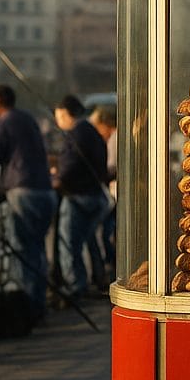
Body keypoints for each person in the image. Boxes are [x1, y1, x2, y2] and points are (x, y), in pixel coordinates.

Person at [0, 84, 56, 322]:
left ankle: (26, 309)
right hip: (45, 190)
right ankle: (39, 304)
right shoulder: (28, 118)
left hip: (23, 192)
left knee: (22, 252)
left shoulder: (5, 121)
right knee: (37, 250)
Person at [52, 94, 110, 302]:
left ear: (67, 114)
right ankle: (99, 278)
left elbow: (69, 165)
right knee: (90, 239)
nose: (57, 121)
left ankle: (75, 286)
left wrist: (57, 180)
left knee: (69, 243)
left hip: (77, 196)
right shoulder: (92, 132)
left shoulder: (75, 135)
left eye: (59, 116)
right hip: (96, 194)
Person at [89, 104, 118, 282]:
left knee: (106, 232)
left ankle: (111, 266)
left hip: (115, 194)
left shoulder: (115, 138)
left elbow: (113, 167)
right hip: (113, 193)